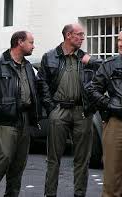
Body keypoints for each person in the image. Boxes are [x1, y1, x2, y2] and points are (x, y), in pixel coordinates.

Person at [37, 23, 102, 197]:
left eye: (83, 35)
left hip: (82, 111)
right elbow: (41, 83)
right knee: (53, 159)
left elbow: (104, 69)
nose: (83, 38)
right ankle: (50, 194)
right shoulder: (49, 57)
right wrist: (50, 108)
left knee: (82, 159)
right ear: (68, 35)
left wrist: (92, 61)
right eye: (79, 34)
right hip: (59, 110)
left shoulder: (86, 58)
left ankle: (79, 194)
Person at [0, 31, 38, 197]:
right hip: (5, 121)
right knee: (2, 162)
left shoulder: (28, 66)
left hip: (24, 119)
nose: (33, 46)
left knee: (18, 165)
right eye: (31, 42)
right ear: (20, 42)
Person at [87, 31, 122, 197]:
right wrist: (109, 105)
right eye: (119, 40)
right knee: (112, 176)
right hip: (116, 124)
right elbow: (92, 89)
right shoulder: (109, 65)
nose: (120, 44)